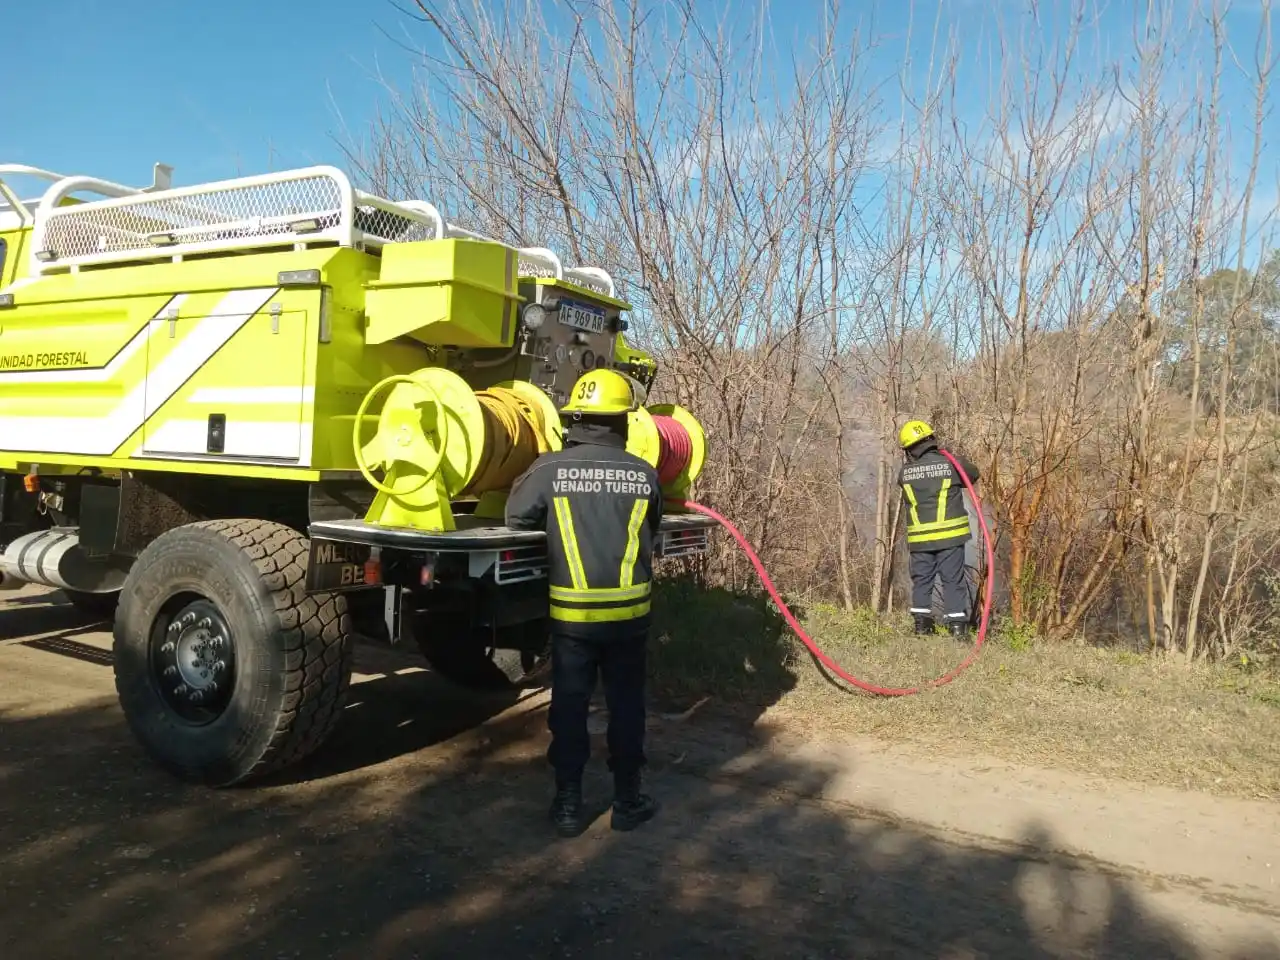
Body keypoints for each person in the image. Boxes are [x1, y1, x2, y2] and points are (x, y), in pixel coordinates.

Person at [505, 368, 665, 838]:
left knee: (571, 708)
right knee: (627, 706)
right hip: (630, 620)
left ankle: (569, 805)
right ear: (623, 421)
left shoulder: (550, 469)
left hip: (574, 621)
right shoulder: (645, 475)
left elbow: (517, 518)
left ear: (575, 417)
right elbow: (652, 527)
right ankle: (628, 800)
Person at [896, 419, 981, 638]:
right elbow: (973, 474)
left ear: (909, 449)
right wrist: (952, 457)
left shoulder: (905, 473)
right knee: (953, 581)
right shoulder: (950, 464)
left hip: (920, 540)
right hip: (950, 538)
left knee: (922, 581)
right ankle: (957, 630)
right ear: (931, 440)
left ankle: (922, 628)